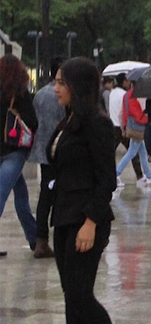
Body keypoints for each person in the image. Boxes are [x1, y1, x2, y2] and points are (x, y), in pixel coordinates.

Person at [48, 57, 114, 323]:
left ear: (77, 86)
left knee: (80, 295)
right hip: (63, 217)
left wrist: (91, 222)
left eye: (61, 83)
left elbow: (107, 179)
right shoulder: (67, 121)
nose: (55, 88)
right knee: (71, 296)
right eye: (55, 82)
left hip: (85, 219)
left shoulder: (97, 124)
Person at [0, 55, 38, 257]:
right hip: (13, 150)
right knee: (1, 194)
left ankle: (34, 239)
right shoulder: (19, 94)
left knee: (21, 194)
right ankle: (35, 240)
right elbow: (33, 121)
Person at [29, 56, 65, 259]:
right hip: (59, 150)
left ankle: (41, 239)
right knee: (60, 194)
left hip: (42, 150)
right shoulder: (62, 94)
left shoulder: (40, 94)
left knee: (45, 195)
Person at [115, 79, 151, 187]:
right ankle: (116, 173)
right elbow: (145, 110)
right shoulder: (140, 95)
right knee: (132, 152)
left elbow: (121, 113)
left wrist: (123, 127)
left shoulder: (126, 95)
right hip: (140, 126)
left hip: (131, 126)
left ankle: (148, 176)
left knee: (142, 152)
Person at [108, 73, 142, 183]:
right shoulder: (124, 94)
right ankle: (139, 176)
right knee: (133, 152)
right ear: (124, 81)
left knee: (111, 152)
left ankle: (141, 176)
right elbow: (124, 112)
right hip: (122, 126)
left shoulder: (112, 93)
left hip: (113, 125)